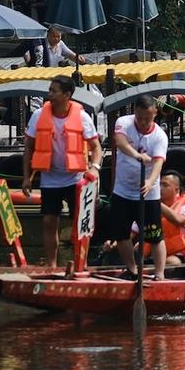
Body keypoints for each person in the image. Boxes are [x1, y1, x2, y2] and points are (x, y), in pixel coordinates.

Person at [20, 75, 103, 268]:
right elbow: (28, 148)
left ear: (67, 95)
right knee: (49, 220)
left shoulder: (82, 117)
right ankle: (51, 264)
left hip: (77, 178)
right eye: (49, 90)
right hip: (50, 178)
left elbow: (96, 147)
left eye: (54, 91)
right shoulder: (38, 115)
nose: (49, 94)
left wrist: (95, 167)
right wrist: (26, 178)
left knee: (80, 222)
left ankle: (80, 263)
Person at [107, 95, 169, 278]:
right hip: (123, 190)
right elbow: (120, 142)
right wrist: (136, 155)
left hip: (148, 193)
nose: (143, 122)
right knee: (121, 234)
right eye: (140, 117)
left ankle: (160, 274)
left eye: (147, 118)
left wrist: (150, 182)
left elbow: (158, 163)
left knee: (155, 235)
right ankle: (133, 269)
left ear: (155, 113)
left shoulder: (160, 136)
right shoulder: (124, 122)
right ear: (135, 112)